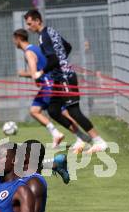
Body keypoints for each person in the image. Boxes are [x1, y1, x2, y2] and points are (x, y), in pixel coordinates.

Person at [24, 10, 108, 154]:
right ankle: (81, 138)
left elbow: (54, 59)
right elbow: (67, 46)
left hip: (64, 77)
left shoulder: (44, 37)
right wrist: (63, 60)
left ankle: (99, 141)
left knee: (74, 111)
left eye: (30, 23)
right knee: (53, 110)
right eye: (27, 24)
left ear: (38, 21)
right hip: (59, 77)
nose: (28, 27)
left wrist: (41, 72)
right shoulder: (50, 31)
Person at [12, 29, 92, 148]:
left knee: (63, 112)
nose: (13, 42)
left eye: (14, 39)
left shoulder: (28, 52)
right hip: (49, 82)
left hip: (48, 84)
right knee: (36, 110)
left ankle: (79, 136)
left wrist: (23, 74)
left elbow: (35, 73)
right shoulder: (35, 48)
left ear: (18, 38)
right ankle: (60, 134)